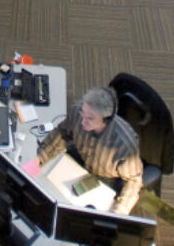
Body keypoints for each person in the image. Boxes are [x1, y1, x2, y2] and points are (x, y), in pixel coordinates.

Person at [35, 86, 143, 215]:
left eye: (90, 118)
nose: (82, 121)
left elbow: (134, 181)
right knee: (43, 190)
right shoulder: (78, 112)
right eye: (83, 113)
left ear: (106, 120)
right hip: (78, 165)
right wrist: (39, 158)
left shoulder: (124, 146)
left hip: (105, 180)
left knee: (81, 219)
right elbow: (63, 132)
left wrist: (118, 213)